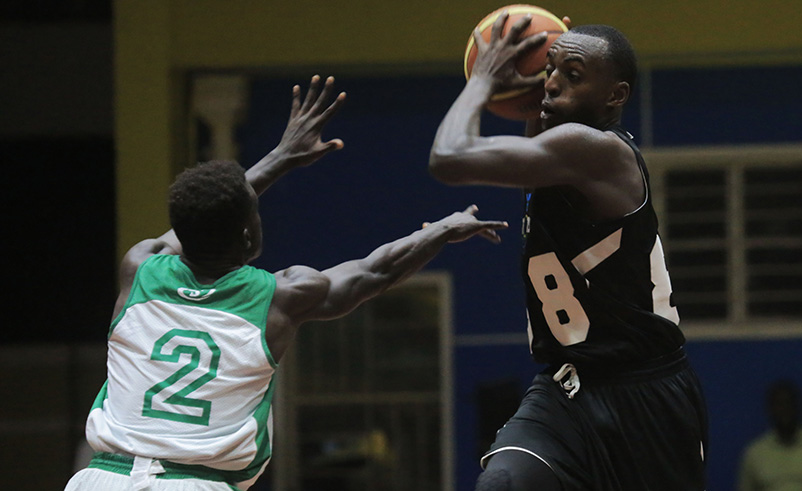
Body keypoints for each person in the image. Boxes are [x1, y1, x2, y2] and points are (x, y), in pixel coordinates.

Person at [64, 75, 508, 491]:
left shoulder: (141, 266)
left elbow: (207, 212)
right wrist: (439, 231)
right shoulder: (279, 298)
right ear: (247, 232)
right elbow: (375, 271)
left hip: (101, 478)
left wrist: (277, 159)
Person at [429, 12, 708, 491]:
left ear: (615, 97)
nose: (551, 84)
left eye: (571, 76)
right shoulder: (552, 140)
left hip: (646, 393)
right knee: (503, 483)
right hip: (567, 387)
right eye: (549, 69)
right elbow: (532, 118)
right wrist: (525, 75)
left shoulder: (594, 150)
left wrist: (482, 81)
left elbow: (449, 158)